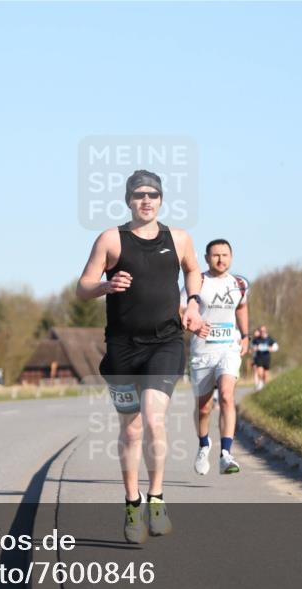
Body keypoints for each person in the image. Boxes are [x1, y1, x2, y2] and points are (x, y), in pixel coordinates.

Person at [76, 169, 205, 544]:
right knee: (131, 429)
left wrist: (193, 302)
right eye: (138, 195)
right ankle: (132, 502)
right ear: (128, 200)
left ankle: (157, 499)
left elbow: (193, 270)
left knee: (153, 419)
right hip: (122, 348)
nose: (146, 200)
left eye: (152, 194)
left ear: (161, 199)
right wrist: (105, 284)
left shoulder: (178, 238)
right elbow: (82, 286)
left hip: (165, 342)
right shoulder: (110, 239)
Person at [181, 239, 249, 476]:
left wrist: (246, 335)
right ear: (207, 258)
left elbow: (241, 307)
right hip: (202, 351)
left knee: (228, 396)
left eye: (225, 255)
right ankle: (203, 445)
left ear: (231, 256)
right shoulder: (197, 282)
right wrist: (194, 326)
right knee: (204, 408)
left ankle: (226, 454)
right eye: (216, 255)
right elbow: (181, 310)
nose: (221, 259)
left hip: (228, 348)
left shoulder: (239, 284)